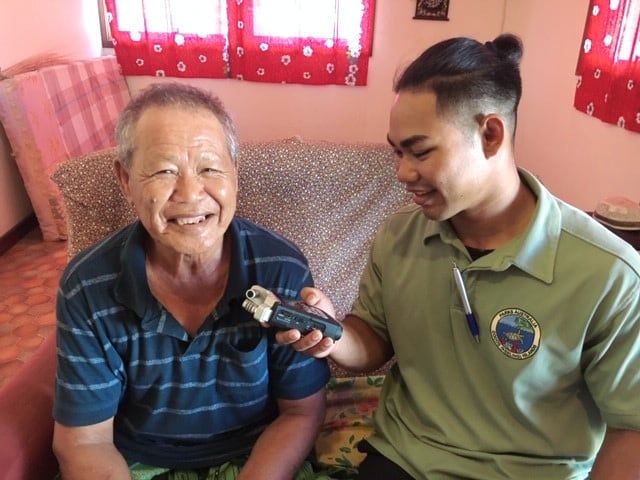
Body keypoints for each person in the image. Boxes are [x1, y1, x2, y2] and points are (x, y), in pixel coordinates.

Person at [279, 33, 640, 479]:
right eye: (396, 151)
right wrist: (332, 334)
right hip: (405, 460)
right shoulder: (399, 237)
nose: (402, 173)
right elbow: (373, 339)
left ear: (490, 135)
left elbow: (632, 425)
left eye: (420, 151)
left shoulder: (609, 273)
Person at [52, 83, 331, 480]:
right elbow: (84, 441)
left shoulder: (280, 268)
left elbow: (302, 412)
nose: (190, 193)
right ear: (125, 179)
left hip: (258, 454)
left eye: (209, 168)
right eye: (164, 170)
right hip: (137, 463)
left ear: (234, 174)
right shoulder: (86, 286)